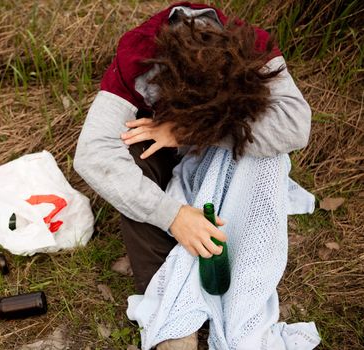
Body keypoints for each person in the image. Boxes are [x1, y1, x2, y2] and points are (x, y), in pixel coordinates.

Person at [74, 2, 317, 349]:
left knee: (267, 152)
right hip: (165, 158)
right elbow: (92, 152)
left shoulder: (254, 49)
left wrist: (192, 131)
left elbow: (294, 127)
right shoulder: (140, 56)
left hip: (224, 150)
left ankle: (242, 275)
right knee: (131, 152)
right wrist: (172, 216)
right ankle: (172, 308)